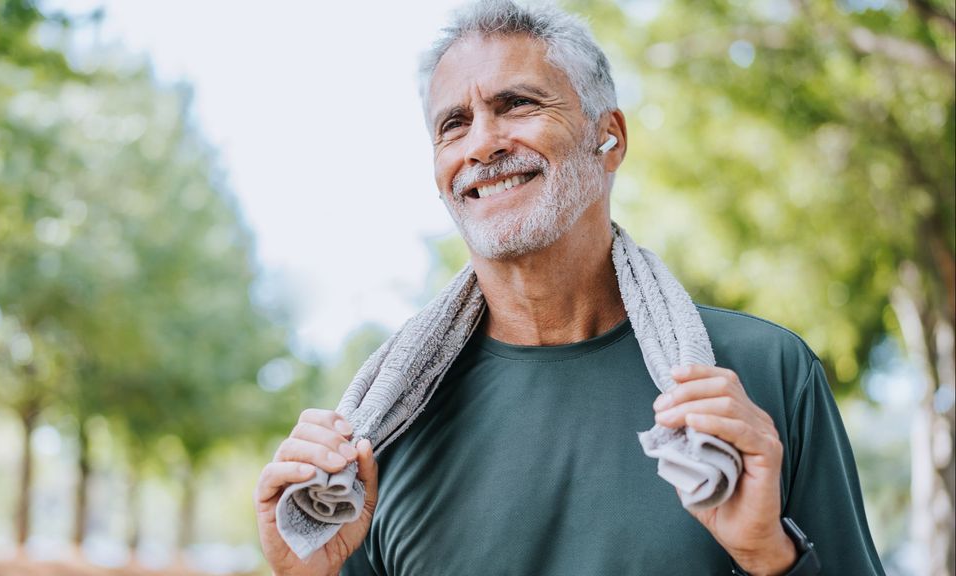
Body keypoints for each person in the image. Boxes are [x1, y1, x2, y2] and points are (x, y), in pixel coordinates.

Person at [254, 1, 885, 574]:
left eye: (517, 105)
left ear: (608, 138)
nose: (482, 144)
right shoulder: (375, 435)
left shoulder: (759, 380)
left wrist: (767, 555)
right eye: (453, 124)